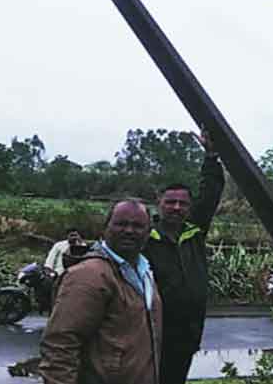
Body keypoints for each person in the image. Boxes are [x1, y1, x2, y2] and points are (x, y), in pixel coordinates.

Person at [39, 200, 162, 384]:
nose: (129, 230)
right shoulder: (89, 275)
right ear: (105, 228)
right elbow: (60, 346)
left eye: (138, 226)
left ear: (148, 232)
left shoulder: (144, 271)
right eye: (121, 224)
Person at [143, 129, 225, 384]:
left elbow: (210, 193)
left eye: (182, 203)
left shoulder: (194, 233)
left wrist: (211, 157)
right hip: (151, 334)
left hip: (187, 333)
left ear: (189, 208)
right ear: (159, 203)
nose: (176, 207)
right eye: (170, 202)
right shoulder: (144, 238)